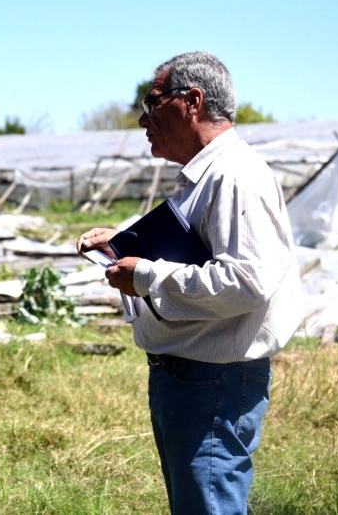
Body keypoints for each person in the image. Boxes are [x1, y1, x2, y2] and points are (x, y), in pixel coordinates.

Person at [77, 52, 303, 515]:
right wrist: (124, 243)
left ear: (193, 101)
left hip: (212, 383)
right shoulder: (204, 177)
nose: (143, 118)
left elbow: (247, 280)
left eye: (152, 102)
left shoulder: (236, 175)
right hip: (190, 377)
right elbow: (194, 246)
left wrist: (143, 274)